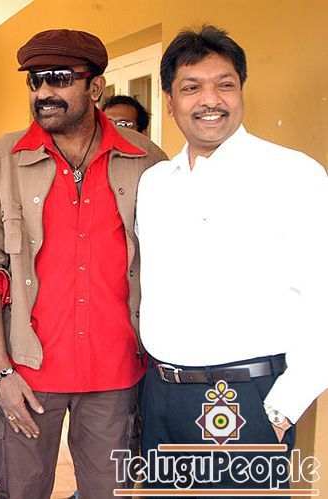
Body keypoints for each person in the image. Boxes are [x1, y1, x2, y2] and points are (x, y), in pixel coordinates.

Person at [0, 29, 166, 499]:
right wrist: (1, 371)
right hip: (28, 374)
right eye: (35, 81)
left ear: (95, 87)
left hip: (117, 374)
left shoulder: (146, 161)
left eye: (58, 78)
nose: (43, 92)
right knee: (19, 491)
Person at [135, 25, 328, 493]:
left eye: (225, 84)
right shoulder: (155, 184)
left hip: (246, 400)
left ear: (241, 90)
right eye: (191, 87)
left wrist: (281, 409)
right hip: (161, 396)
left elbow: (322, 296)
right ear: (169, 101)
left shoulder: (293, 174)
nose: (211, 100)